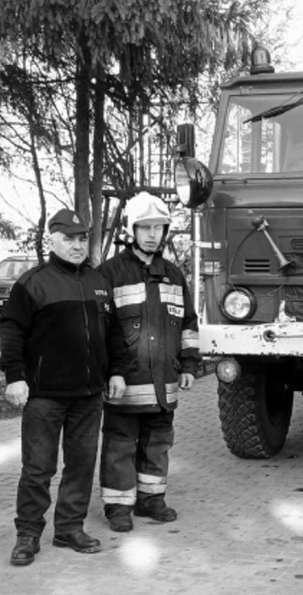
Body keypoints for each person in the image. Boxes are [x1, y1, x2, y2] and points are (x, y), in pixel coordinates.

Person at [0, 209, 119, 566]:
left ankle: (69, 528)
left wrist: (117, 372)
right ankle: (28, 535)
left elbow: (112, 336)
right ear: (52, 239)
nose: (77, 245)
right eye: (69, 238)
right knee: (38, 468)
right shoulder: (34, 282)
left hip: (88, 396)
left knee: (81, 465)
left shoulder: (99, 282)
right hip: (44, 396)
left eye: (82, 238)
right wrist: (15, 376)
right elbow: (11, 330)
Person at [97, 192, 201, 532]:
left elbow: (187, 322)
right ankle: (118, 507)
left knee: (158, 444)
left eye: (159, 227)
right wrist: (111, 372)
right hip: (125, 383)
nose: (153, 234)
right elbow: (102, 329)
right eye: (145, 227)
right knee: (120, 445)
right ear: (131, 230)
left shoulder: (173, 275)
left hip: (163, 384)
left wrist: (188, 365)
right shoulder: (110, 274)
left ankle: (151, 500)